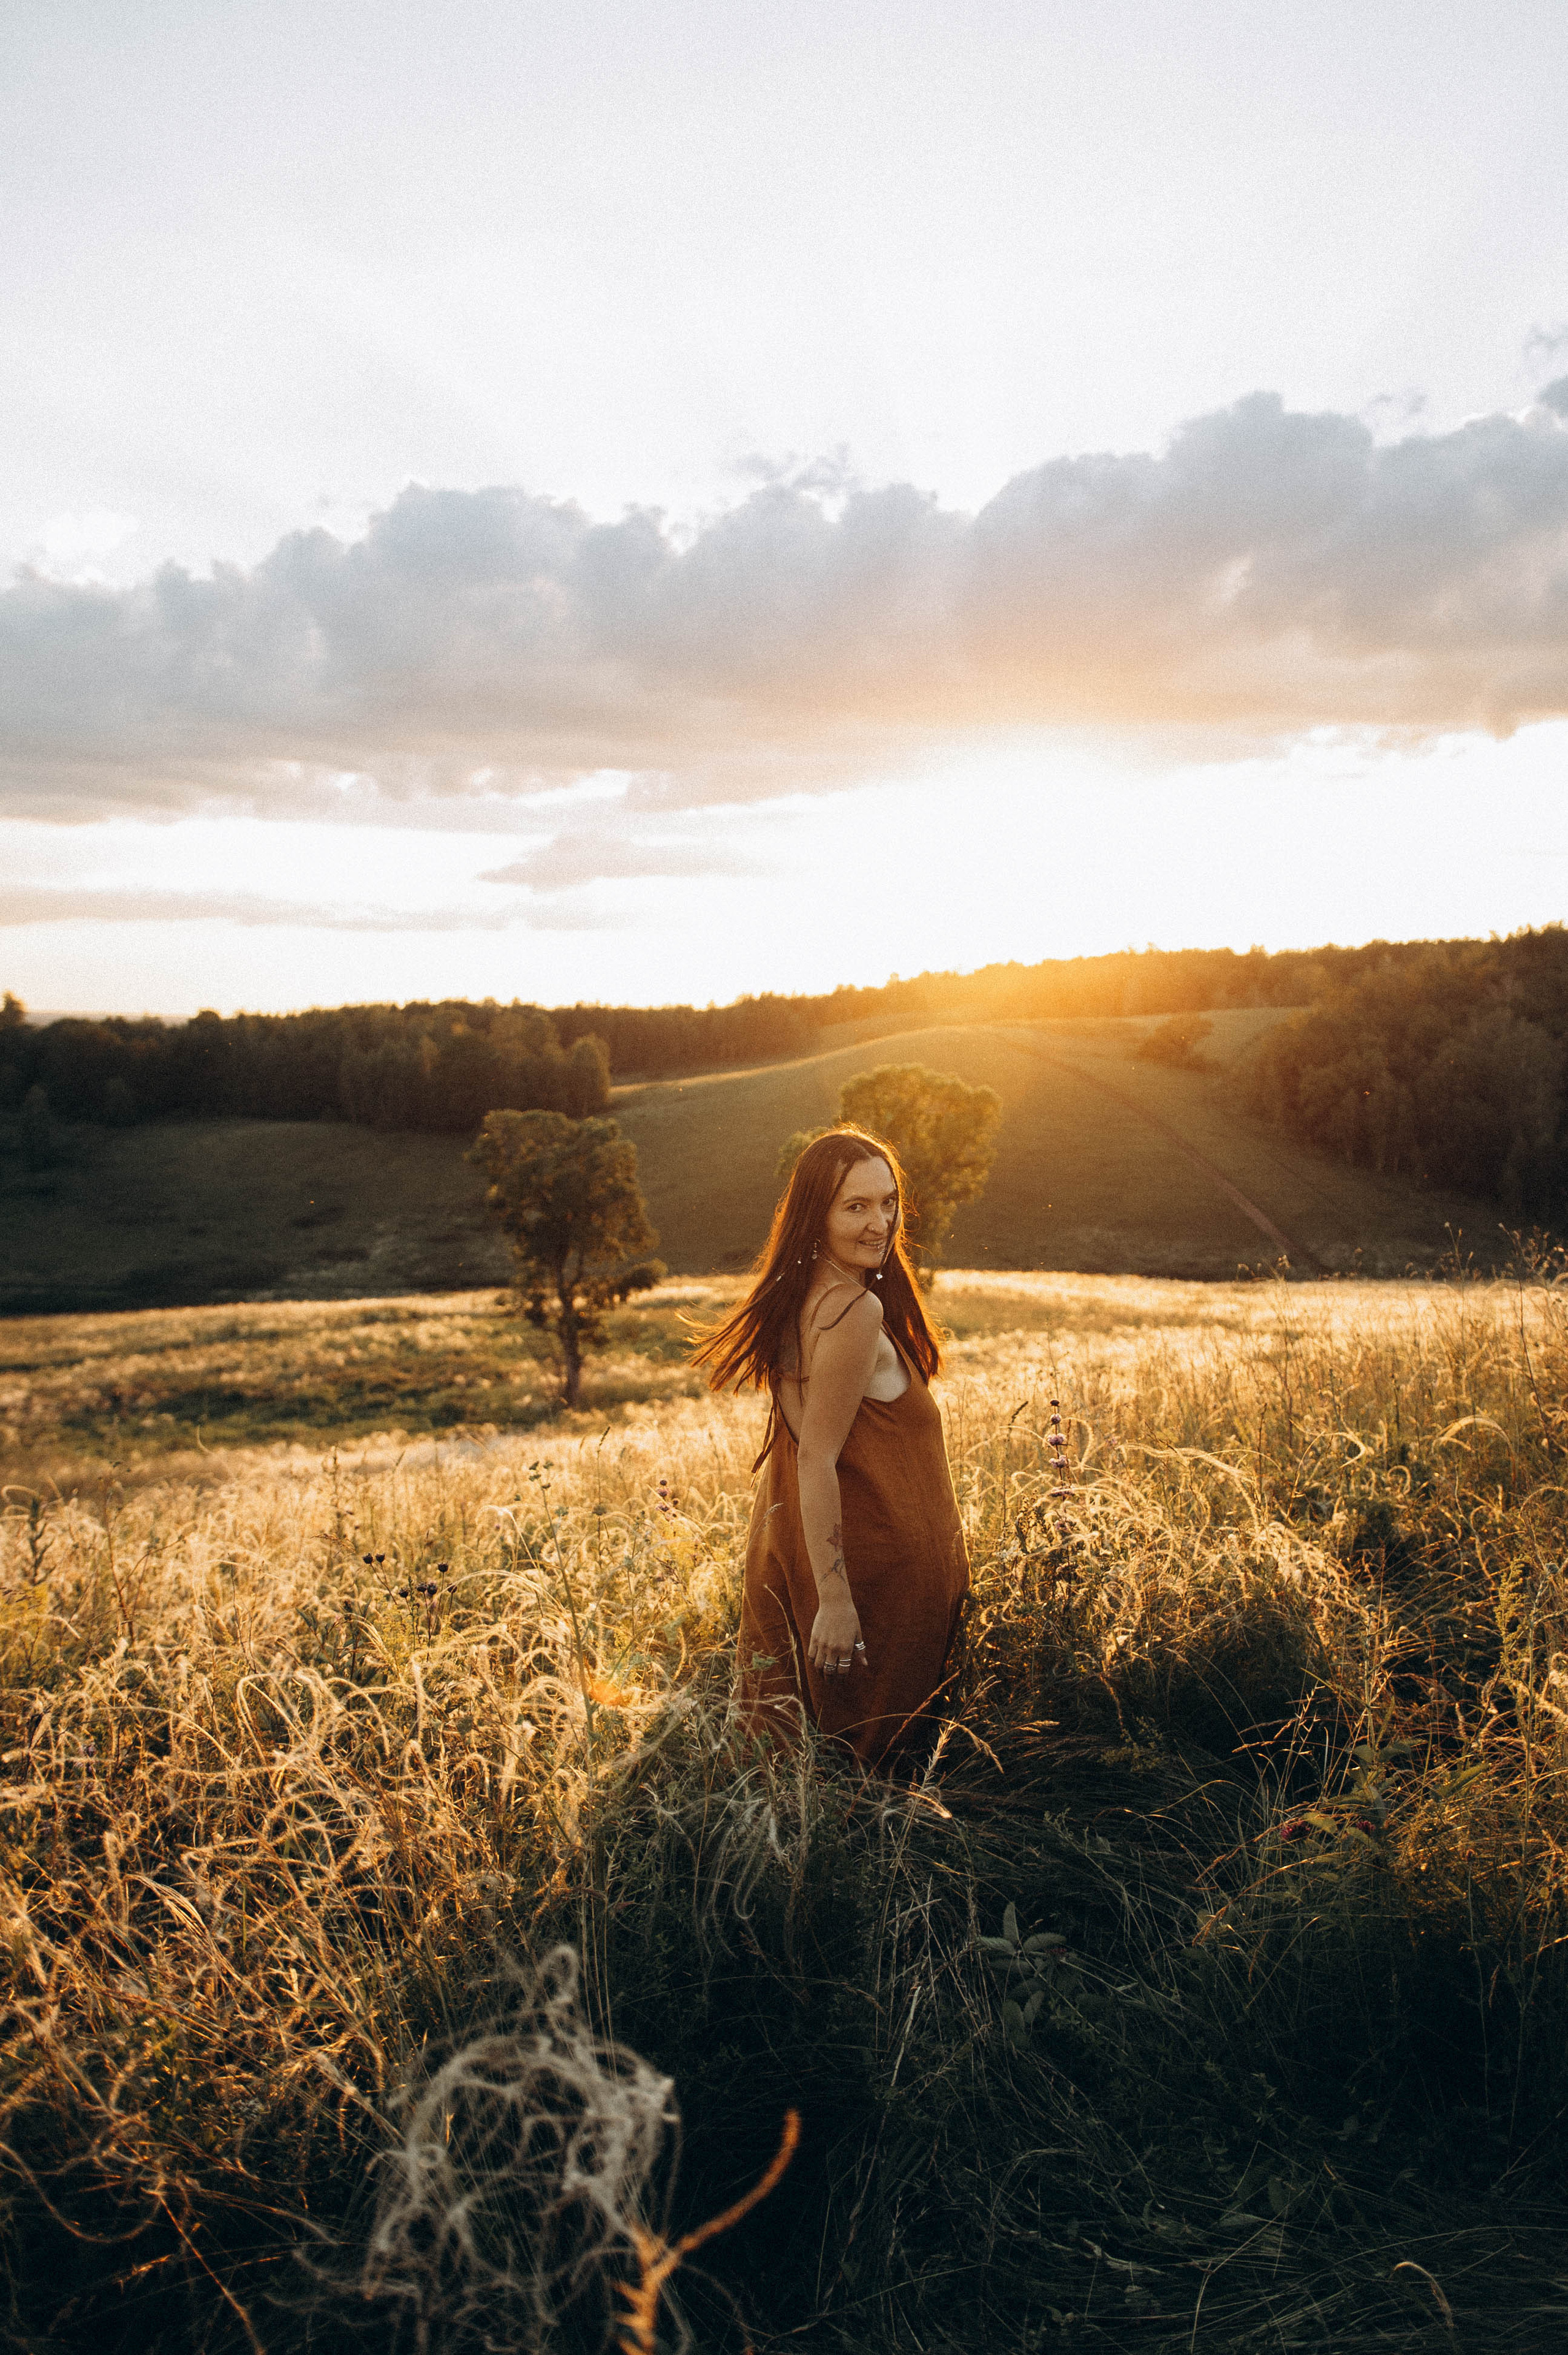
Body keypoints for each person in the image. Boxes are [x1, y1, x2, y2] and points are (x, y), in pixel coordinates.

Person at [692, 1126, 970, 1767]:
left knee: (800, 1763)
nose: (881, 1223)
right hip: (877, 1574)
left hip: (807, 1546)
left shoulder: (796, 1295)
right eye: (855, 1206)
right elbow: (816, 1456)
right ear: (815, 1214)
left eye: (888, 1201)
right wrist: (837, 1600)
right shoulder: (852, 1310)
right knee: (876, 1769)